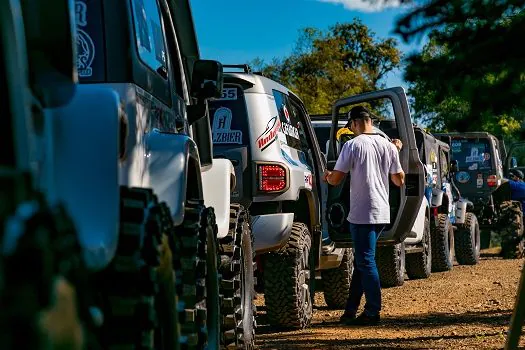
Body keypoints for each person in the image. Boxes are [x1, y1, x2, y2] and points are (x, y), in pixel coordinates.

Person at [322, 106, 405, 326]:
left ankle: (373, 311)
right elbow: (399, 180)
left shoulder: (352, 145)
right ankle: (350, 311)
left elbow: (337, 179)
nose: (351, 130)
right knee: (362, 260)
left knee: (366, 261)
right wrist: (396, 151)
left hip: (362, 212)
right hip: (382, 212)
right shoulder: (387, 146)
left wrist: (327, 177)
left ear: (356, 122)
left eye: (350, 126)